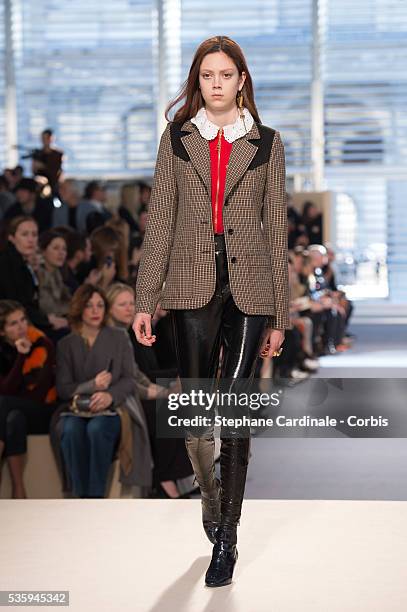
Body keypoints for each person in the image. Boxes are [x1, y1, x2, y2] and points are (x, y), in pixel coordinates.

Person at [133, 35, 290, 587]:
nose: (217, 83)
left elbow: (277, 231)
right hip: (192, 282)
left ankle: (227, 536)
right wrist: (146, 300)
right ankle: (210, 499)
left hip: (251, 288)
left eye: (226, 74)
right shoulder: (177, 140)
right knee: (200, 410)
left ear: (241, 79)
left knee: (236, 409)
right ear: (197, 82)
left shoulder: (267, 143)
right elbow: (161, 225)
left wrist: (281, 316)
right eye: (207, 75)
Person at [107, 283, 193, 497]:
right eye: (122, 304)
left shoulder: (132, 333)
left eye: (132, 303)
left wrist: (176, 378)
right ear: (110, 309)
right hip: (124, 397)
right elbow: (127, 376)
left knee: (178, 406)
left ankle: (170, 478)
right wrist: (169, 384)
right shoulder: (114, 337)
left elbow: (146, 372)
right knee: (166, 410)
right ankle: (164, 480)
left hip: (141, 391)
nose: (129, 308)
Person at [55, 284, 135, 498]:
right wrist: (92, 386)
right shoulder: (66, 344)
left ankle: (95, 498)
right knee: (70, 430)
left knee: (97, 429)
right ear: (79, 309)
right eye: (89, 306)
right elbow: (63, 389)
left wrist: (109, 395)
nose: (95, 311)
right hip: (76, 409)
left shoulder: (119, 337)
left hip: (111, 409)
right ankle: (80, 498)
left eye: (100, 305)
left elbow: (129, 379)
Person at [0, 300, 56, 498]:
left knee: (4, 404)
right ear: (2, 331)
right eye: (13, 323)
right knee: (13, 418)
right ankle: (18, 489)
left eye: (23, 319)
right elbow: (6, 388)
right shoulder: (3, 352)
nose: (21, 326)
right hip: (14, 411)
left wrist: (23, 355)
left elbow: (37, 394)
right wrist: (19, 357)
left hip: (45, 411)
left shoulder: (42, 343)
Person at [0, 216, 53, 333]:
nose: (31, 240)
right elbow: (17, 303)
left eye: (34, 235)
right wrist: (48, 320)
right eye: (25, 234)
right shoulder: (7, 264)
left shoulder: (23, 263)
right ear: (12, 238)